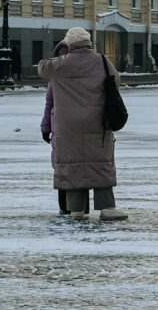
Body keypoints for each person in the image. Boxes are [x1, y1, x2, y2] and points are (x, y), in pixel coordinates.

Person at [39, 27, 123, 220]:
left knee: (72, 164)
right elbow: (116, 80)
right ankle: (107, 208)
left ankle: (76, 210)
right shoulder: (102, 60)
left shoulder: (60, 64)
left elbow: (42, 68)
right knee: (100, 162)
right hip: (97, 120)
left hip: (68, 124)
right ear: (89, 42)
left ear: (69, 43)